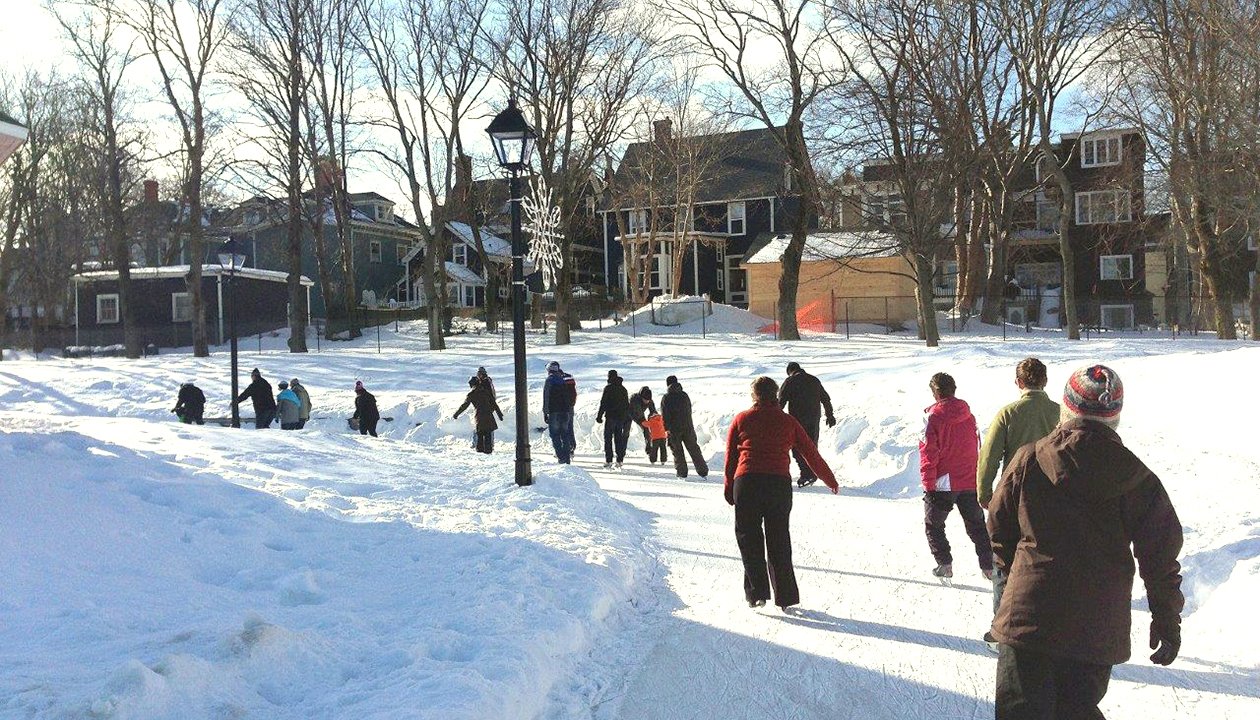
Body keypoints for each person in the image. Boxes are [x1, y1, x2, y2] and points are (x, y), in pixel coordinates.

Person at [989, 365, 1183, 719]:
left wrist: (1011, 585)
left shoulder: (1028, 459)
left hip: (1028, 619)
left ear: (1066, 407)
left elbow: (1000, 532)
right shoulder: (1137, 477)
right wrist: (1166, 617)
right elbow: (1160, 555)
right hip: (1095, 626)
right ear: (1115, 417)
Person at [724, 376, 838, 610]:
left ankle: (757, 593)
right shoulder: (788, 421)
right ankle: (785, 597)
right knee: (779, 539)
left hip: (747, 484)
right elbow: (810, 453)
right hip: (778, 485)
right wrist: (830, 480)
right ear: (776, 394)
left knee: (749, 538)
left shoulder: (741, 419)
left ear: (754, 395)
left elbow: (731, 458)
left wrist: (728, 487)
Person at [976, 358, 1060, 646]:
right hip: (1053, 498)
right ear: (1045, 382)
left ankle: (1001, 631)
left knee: (1005, 561)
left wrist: (984, 492)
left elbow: (989, 456)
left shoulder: (1009, 413)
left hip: (1015, 497)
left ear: (1018, 383)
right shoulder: (1060, 414)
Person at [919, 372, 992, 580]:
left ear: (935, 393)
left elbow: (928, 452)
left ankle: (945, 564)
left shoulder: (931, 417)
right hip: (969, 479)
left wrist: (928, 484)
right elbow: (976, 446)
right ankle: (988, 567)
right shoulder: (969, 415)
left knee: (934, 524)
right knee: (977, 526)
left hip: (943, 483)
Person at [779, 361, 837, 487]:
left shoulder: (790, 381)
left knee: (796, 447)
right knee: (811, 447)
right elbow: (826, 399)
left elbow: (780, 401)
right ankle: (811, 472)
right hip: (813, 420)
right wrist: (830, 415)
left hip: (797, 421)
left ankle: (807, 474)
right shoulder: (814, 380)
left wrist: (775, 417)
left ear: (790, 371)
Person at [662, 375, 708, 479]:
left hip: (674, 429)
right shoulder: (684, 395)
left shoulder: (666, 397)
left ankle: (682, 473)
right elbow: (689, 410)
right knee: (694, 449)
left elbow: (665, 415)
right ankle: (703, 471)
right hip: (688, 427)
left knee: (677, 451)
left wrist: (667, 429)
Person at [454, 376, 505, 454]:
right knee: (488, 433)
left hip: (479, 416)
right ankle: (488, 450)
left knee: (480, 433)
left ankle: (480, 450)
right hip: (488, 415)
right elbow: (494, 404)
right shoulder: (486, 392)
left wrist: (456, 414)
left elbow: (464, 405)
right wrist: (499, 414)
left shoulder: (471, 394)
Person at [542, 360, 577, 463]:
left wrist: (546, 412)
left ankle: (560, 456)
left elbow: (546, 397)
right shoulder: (563, 380)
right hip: (565, 411)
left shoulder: (549, 380)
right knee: (565, 434)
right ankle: (567, 457)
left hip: (554, 412)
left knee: (555, 434)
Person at [595, 370, 632, 468]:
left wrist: (599, 416)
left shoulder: (608, 388)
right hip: (620, 418)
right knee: (618, 439)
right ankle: (619, 460)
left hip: (610, 417)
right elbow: (626, 405)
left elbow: (603, 403)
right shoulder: (623, 389)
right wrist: (625, 417)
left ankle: (609, 460)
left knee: (608, 438)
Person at [630, 386, 665, 464]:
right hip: (630, 414)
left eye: (648, 400)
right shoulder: (635, 399)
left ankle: (648, 449)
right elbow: (639, 414)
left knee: (646, 430)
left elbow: (653, 411)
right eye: (645, 400)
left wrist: (655, 419)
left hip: (640, 415)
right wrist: (648, 422)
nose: (647, 402)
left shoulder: (649, 400)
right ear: (641, 397)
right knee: (627, 431)